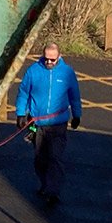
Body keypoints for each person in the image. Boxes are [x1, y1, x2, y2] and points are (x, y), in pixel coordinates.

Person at [15, 42, 82, 206]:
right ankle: (45, 184)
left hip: (58, 124)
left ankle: (53, 191)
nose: (49, 63)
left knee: (55, 157)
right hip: (37, 124)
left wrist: (77, 115)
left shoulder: (67, 73)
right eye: (46, 59)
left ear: (59, 57)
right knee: (40, 158)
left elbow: (74, 95)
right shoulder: (33, 71)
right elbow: (23, 93)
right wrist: (20, 114)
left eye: (53, 60)